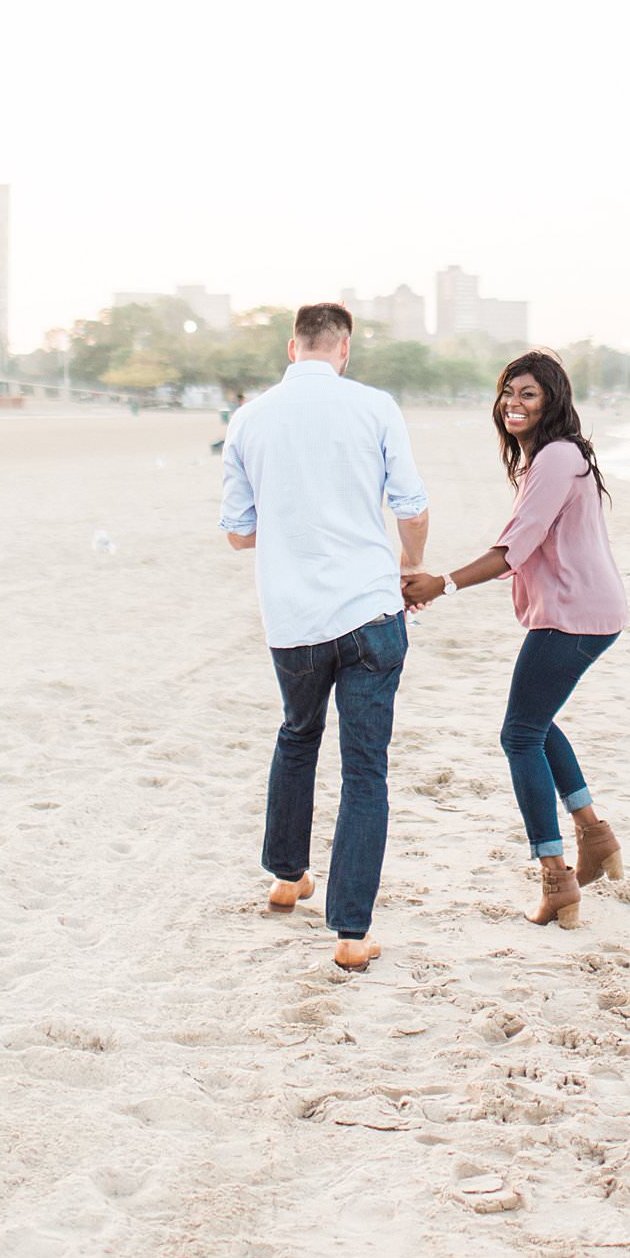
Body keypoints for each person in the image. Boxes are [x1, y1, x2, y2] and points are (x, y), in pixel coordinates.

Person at [219, 302, 428, 972]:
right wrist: (408, 566)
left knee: (297, 733)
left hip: (293, 617)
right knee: (365, 768)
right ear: (344, 348)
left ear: (292, 347)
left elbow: (238, 531)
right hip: (369, 607)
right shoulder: (374, 406)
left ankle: (287, 876)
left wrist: (289, 517)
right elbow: (412, 507)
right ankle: (350, 931)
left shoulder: (248, 419)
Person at [404, 350, 626, 930]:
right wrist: (445, 582)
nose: (513, 404)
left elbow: (513, 549)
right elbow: (521, 550)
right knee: (538, 722)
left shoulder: (555, 457)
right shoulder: (555, 458)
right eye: (508, 393)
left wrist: (443, 582)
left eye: (528, 394)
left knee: (519, 735)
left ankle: (557, 879)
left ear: (552, 400)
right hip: (589, 611)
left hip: (574, 616)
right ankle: (595, 836)